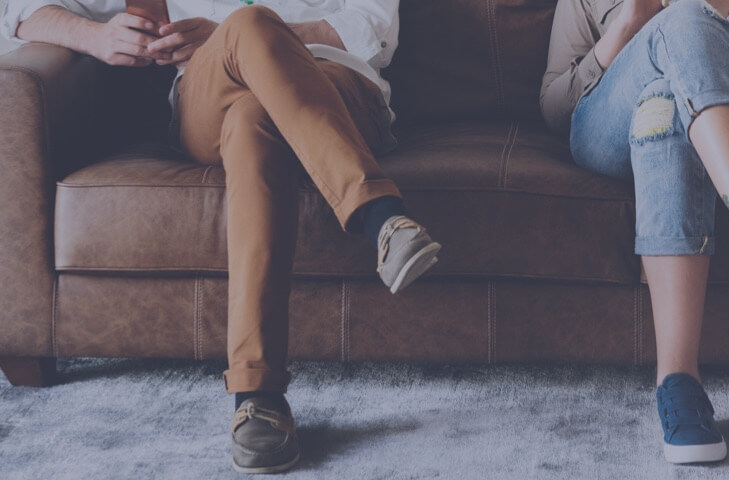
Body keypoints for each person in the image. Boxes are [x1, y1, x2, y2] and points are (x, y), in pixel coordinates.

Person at [3, 0, 441, 473]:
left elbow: (374, 28)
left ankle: (258, 395)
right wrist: (95, 36)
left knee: (253, 108)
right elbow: (19, 9)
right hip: (210, 94)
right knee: (248, 25)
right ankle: (380, 216)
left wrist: (257, 34)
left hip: (337, 86)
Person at [542, 0, 729, 464]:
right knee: (681, 25)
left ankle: (679, 383)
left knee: (665, 105)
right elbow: (555, 106)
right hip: (608, 125)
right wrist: (629, 25)